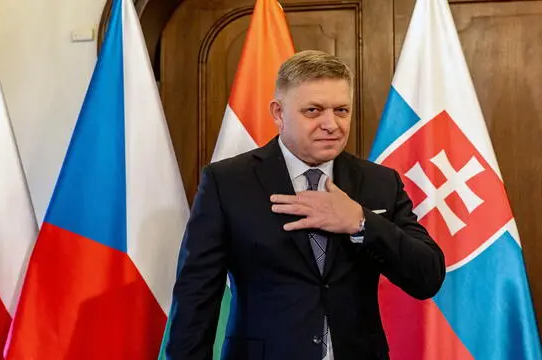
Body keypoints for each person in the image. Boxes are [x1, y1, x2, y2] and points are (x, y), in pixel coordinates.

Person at [166, 50, 445, 360]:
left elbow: (427, 276)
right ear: (278, 113)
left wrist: (361, 222)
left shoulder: (380, 182)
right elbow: (196, 297)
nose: (331, 124)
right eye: (313, 110)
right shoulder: (228, 183)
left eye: (341, 110)